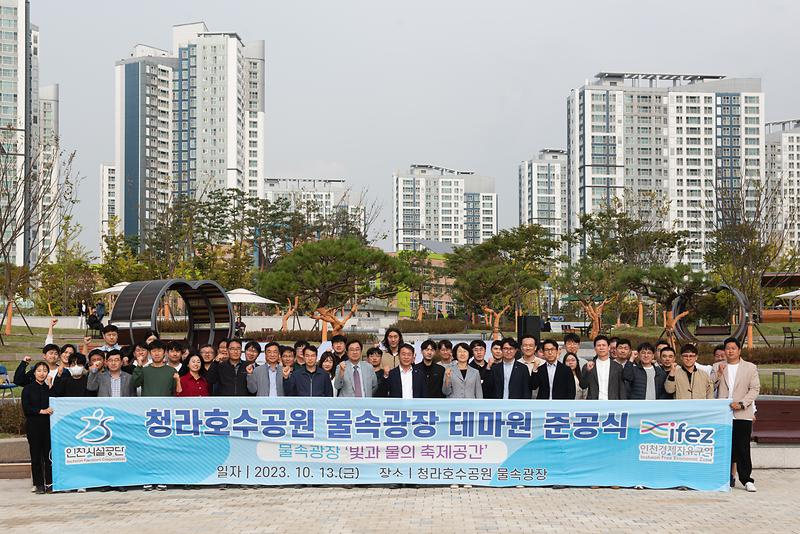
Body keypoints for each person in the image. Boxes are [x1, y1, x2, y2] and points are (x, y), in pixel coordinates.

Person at [714, 337, 760, 492]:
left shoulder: (750, 368)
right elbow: (710, 386)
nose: (730, 351)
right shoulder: (717, 366)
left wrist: (742, 404)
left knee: (742, 447)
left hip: (742, 413)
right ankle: (725, 477)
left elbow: (754, 389)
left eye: (733, 348)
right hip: (723, 414)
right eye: (728, 348)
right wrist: (718, 375)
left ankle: (747, 479)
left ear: (739, 350)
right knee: (724, 447)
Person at [22, 362, 53, 494]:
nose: (42, 373)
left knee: (49, 456)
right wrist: (42, 411)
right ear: (34, 373)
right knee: (36, 456)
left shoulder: (49, 388)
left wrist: (51, 388)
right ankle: (39, 484)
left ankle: (50, 483)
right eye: (39, 370)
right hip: (33, 426)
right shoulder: (28, 389)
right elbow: (26, 408)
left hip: (48, 427)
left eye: (45, 370)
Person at [580, 335, 626, 400]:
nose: (601, 348)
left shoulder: (617, 367)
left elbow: (621, 389)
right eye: (598, 345)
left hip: (612, 403)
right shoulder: (588, 366)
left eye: (604, 345)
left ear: (609, 347)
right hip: (594, 404)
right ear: (595, 348)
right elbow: (583, 385)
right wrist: (588, 371)